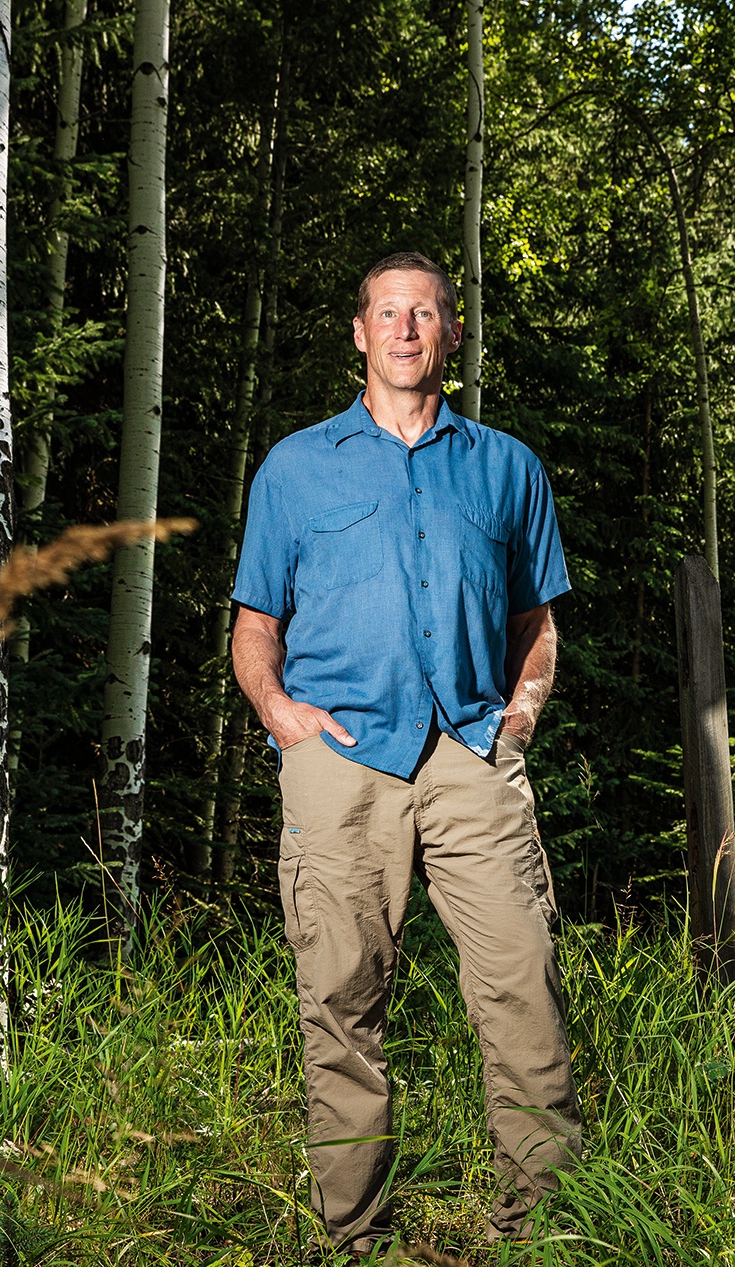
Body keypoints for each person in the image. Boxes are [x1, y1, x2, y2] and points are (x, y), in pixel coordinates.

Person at [230, 251, 581, 1255]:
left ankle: (542, 1229)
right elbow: (256, 626)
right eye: (388, 312)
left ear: (451, 334)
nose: (406, 328)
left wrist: (517, 720)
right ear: (359, 332)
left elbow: (536, 620)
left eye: (425, 313)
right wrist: (282, 714)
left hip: (472, 752)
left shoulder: (506, 467)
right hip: (339, 760)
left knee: (523, 987)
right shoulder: (295, 467)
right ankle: (358, 1239)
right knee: (340, 1001)